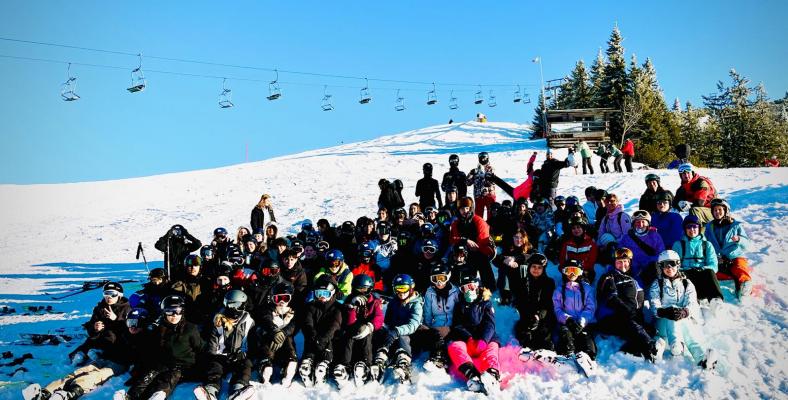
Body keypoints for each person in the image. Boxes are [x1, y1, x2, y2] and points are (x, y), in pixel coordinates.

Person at [24, 308, 151, 400]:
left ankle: (71, 393)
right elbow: (107, 332)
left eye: (137, 324)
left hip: (118, 365)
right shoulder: (123, 330)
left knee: (96, 376)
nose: (132, 327)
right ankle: (46, 392)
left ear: (144, 324)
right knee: (78, 372)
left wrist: (136, 370)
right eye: (130, 323)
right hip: (105, 358)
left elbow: (145, 358)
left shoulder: (145, 339)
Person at [127, 295, 204, 400]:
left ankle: (158, 396)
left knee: (166, 380)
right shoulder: (159, 328)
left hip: (181, 366)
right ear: (164, 313)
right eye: (170, 311)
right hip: (163, 363)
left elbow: (200, 347)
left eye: (178, 311)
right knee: (146, 377)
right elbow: (150, 349)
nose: (174, 315)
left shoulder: (190, 329)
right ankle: (130, 396)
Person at [648, 250, 716, 369]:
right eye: (665, 265)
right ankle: (676, 346)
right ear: (661, 267)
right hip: (662, 323)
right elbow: (654, 304)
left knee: (689, 336)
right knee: (673, 313)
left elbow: (692, 303)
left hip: (683, 321)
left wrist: (684, 312)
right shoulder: (657, 284)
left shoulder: (686, 283)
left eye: (672, 264)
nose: (669, 268)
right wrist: (665, 312)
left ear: (678, 264)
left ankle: (703, 360)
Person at [595, 248, 657, 362]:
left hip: (631, 317)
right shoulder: (610, 277)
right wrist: (628, 311)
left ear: (630, 262)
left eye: (625, 261)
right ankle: (648, 345)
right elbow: (611, 298)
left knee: (650, 330)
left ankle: (628, 352)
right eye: (619, 262)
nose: (622, 264)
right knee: (639, 331)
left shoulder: (634, 278)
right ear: (614, 263)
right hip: (612, 318)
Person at [194, 290, 255, 400]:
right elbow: (212, 343)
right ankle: (210, 392)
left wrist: (241, 354)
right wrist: (214, 356)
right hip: (220, 356)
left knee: (245, 365)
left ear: (242, 306)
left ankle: (238, 390)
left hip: (237, 357)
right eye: (229, 304)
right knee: (214, 367)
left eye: (236, 305)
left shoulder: (249, 322)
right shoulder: (217, 321)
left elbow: (251, 344)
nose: (232, 308)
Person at [447, 273, 501, 393]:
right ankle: (472, 375)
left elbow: (490, 324)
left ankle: (492, 375)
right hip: (467, 340)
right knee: (454, 347)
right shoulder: (459, 304)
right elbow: (457, 325)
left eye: (470, 286)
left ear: (477, 286)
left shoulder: (485, 302)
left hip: (485, 338)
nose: (468, 290)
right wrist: (468, 338)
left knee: (491, 350)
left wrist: (483, 340)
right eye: (464, 288)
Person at [371, 274, 423, 383]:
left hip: (411, 335)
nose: (401, 293)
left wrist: (396, 331)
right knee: (380, 332)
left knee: (401, 337)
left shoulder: (416, 304)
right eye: (398, 289)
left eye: (404, 288)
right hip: (394, 332)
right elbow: (388, 321)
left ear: (410, 288)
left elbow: (413, 325)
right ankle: (381, 358)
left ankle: (404, 363)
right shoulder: (393, 302)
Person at [334, 275, 384, 386]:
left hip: (369, 331)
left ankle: (366, 363)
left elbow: (379, 317)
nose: (361, 292)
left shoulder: (374, 301)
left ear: (369, 289)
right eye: (358, 289)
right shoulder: (349, 300)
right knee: (347, 336)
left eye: (364, 289)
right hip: (353, 330)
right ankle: (344, 365)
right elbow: (349, 322)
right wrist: (352, 307)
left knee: (366, 335)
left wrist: (370, 327)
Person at [299, 275, 344, 387]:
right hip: (313, 339)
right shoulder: (311, 306)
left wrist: (322, 339)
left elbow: (335, 325)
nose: (322, 297)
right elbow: (307, 323)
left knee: (329, 341)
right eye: (319, 294)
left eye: (326, 294)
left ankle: (323, 365)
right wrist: (313, 336)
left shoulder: (337, 308)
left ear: (333, 293)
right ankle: (307, 363)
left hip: (329, 340)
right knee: (309, 341)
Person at [705, 198, 753, 299]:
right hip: (719, 259)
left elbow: (748, 245)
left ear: (726, 211)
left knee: (739, 267)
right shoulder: (709, 227)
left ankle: (745, 287)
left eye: (720, 210)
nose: (717, 212)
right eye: (715, 210)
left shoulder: (735, 226)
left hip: (734, 256)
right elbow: (706, 243)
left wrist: (739, 239)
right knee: (710, 272)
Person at [415, 263, 459, 371]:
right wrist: (428, 327)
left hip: (451, 324)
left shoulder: (455, 292)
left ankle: (439, 357)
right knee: (423, 331)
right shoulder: (430, 293)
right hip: (436, 325)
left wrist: (456, 326)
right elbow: (427, 313)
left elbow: (460, 311)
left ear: (447, 277)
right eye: (435, 279)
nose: (439, 282)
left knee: (442, 334)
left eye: (442, 278)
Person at [254, 282, 299, 387]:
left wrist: (283, 333)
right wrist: (274, 331)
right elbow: (266, 319)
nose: (282, 302)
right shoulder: (269, 309)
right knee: (267, 342)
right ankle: (266, 366)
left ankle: (290, 364)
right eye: (279, 299)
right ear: (273, 299)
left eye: (285, 298)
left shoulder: (293, 312)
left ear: (290, 298)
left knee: (289, 341)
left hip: (285, 345)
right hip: (271, 343)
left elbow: (294, 326)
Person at [449, 197, 497, 291]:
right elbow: (452, 239)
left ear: (471, 209)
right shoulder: (456, 223)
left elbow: (483, 239)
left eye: (467, 208)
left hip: (482, 250)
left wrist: (472, 245)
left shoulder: (479, 221)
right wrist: (465, 240)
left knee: (481, 259)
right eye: (462, 209)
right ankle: (458, 282)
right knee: (457, 255)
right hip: (465, 250)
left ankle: (489, 286)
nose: (465, 211)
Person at [553, 260, 596, 361]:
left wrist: (582, 321)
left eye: (575, 271)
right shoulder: (559, 290)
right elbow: (557, 308)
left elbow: (590, 307)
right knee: (566, 337)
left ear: (580, 272)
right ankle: (567, 356)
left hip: (583, 324)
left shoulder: (587, 289)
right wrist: (567, 319)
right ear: (564, 272)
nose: (572, 274)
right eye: (569, 271)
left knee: (586, 341)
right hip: (567, 323)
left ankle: (588, 358)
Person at [672, 215, 723, 302]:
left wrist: (703, 268)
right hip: (687, 275)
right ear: (685, 229)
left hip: (702, 274)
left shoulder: (707, 245)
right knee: (681, 278)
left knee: (710, 272)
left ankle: (716, 300)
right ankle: (690, 301)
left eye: (694, 227)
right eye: (689, 227)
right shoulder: (678, 245)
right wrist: (682, 271)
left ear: (699, 228)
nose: (692, 230)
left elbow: (713, 264)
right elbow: (674, 265)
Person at [513, 253, 556, 351]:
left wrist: (538, 316)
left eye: (539, 267)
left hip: (543, 316)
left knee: (543, 337)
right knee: (525, 336)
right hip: (527, 315)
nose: (536, 270)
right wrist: (530, 316)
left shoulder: (549, 282)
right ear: (529, 267)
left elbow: (547, 303)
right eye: (534, 267)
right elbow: (521, 301)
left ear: (543, 269)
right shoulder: (523, 282)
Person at [618, 211, 665, 288]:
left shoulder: (655, 236)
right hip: (631, 269)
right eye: (637, 222)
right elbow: (620, 253)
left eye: (643, 222)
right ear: (633, 224)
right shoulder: (627, 237)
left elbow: (661, 254)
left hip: (649, 270)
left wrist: (648, 261)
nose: (640, 225)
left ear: (648, 224)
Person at [493, 228, 534, 305]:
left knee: (523, 267)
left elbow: (531, 256)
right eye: (516, 237)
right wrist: (505, 261)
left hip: (523, 278)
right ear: (512, 237)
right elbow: (495, 259)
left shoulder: (529, 247)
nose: (518, 240)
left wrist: (514, 259)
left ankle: (523, 293)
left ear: (524, 238)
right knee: (504, 266)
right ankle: (506, 294)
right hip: (510, 278)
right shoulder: (508, 247)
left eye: (521, 237)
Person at [673, 163, 717, 228]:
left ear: (692, 173)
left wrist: (687, 205)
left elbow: (699, 203)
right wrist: (679, 204)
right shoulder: (682, 188)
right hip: (701, 211)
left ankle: (699, 234)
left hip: (714, 211)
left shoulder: (701, 183)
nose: (686, 175)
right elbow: (674, 203)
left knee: (694, 210)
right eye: (684, 174)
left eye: (688, 173)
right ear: (681, 176)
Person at [559, 217, 599, 282]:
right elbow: (562, 260)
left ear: (583, 228)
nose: (576, 230)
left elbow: (591, 262)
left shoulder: (590, 243)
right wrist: (566, 269)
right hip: (570, 272)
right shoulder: (567, 244)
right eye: (573, 228)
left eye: (578, 227)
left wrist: (578, 269)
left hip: (584, 272)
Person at [597, 193, 632, 264]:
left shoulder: (622, 216)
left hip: (623, 247)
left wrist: (616, 244)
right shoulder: (606, 218)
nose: (609, 203)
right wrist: (600, 246)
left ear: (617, 202)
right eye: (607, 202)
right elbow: (601, 234)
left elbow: (627, 235)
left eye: (612, 201)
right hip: (610, 247)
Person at [466, 151, 496, 218]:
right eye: (481, 158)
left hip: (489, 195)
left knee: (491, 214)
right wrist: (471, 173)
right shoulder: (476, 170)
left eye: (484, 158)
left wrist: (488, 181)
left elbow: (492, 181)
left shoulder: (490, 169)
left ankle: (490, 227)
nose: (483, 160)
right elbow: (468, 182)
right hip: (478, 195)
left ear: (487, 158)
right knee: (478, 215)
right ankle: (479, 227)